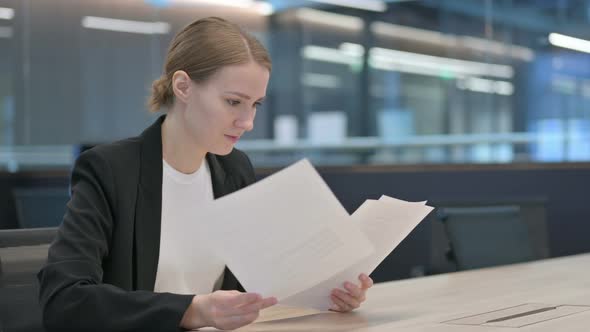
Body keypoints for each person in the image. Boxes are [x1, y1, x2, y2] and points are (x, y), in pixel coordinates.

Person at [37, 17, 373, 332]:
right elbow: (64, 300)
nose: (248, 122)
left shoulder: (233, 169)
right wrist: (192, 310)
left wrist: (327, 294)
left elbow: (255, 285)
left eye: (254, 104)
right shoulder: (111, 169)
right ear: (183, 86)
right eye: (233, 102)